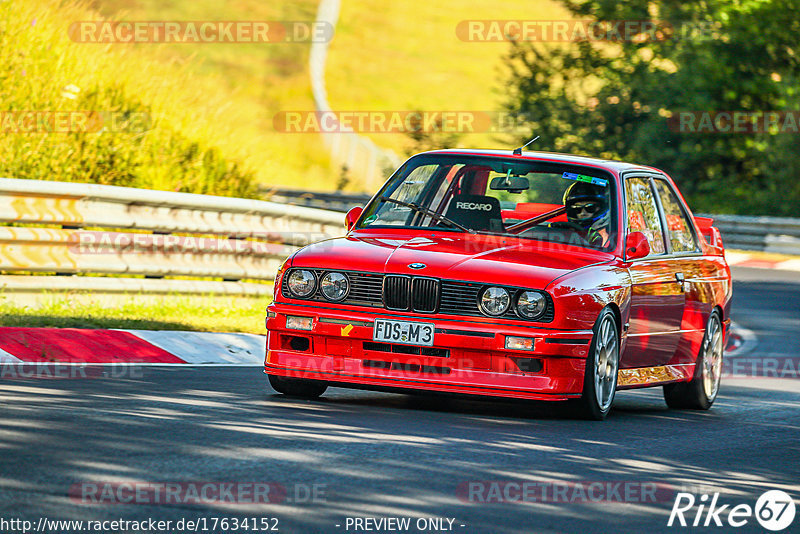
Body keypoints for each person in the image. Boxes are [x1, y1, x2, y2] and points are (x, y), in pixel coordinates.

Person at [562, 181, 611, 246]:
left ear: (602, 208)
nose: (583, 213)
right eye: (577, 209)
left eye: (590, 208)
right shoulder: (564, 231)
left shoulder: (611, 236)